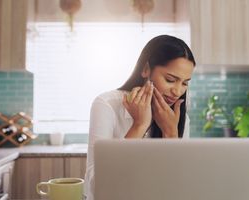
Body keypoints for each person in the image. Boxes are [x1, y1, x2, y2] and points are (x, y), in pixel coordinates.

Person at [84, 35, 196, 200]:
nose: (178, 91)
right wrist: (139, 125)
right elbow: (95, 185)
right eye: (170, 80)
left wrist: (170, 134)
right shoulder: (107, 104)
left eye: (185, 83)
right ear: (146, 69)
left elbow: (179, 188)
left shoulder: (179, 119)